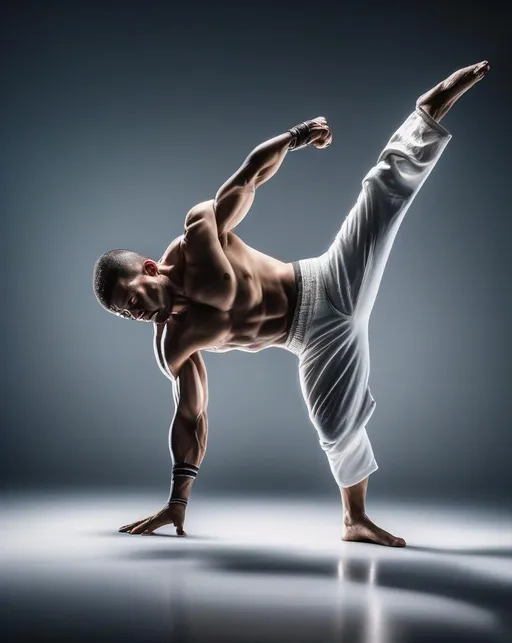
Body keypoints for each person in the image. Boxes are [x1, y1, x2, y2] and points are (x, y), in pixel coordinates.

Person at [93, 61, 490, 547]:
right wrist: (178, 502)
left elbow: (246, 180)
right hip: (307, 339)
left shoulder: (198, 236)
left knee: (381, 194)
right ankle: (355, 520)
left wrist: (296, 136)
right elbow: (192, 415)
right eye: (125, 314)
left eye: (132, 298)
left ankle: (430, 110)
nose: (136, 313)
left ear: (150, 268)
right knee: (334, 425)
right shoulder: (174, 342)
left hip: (325, 283)